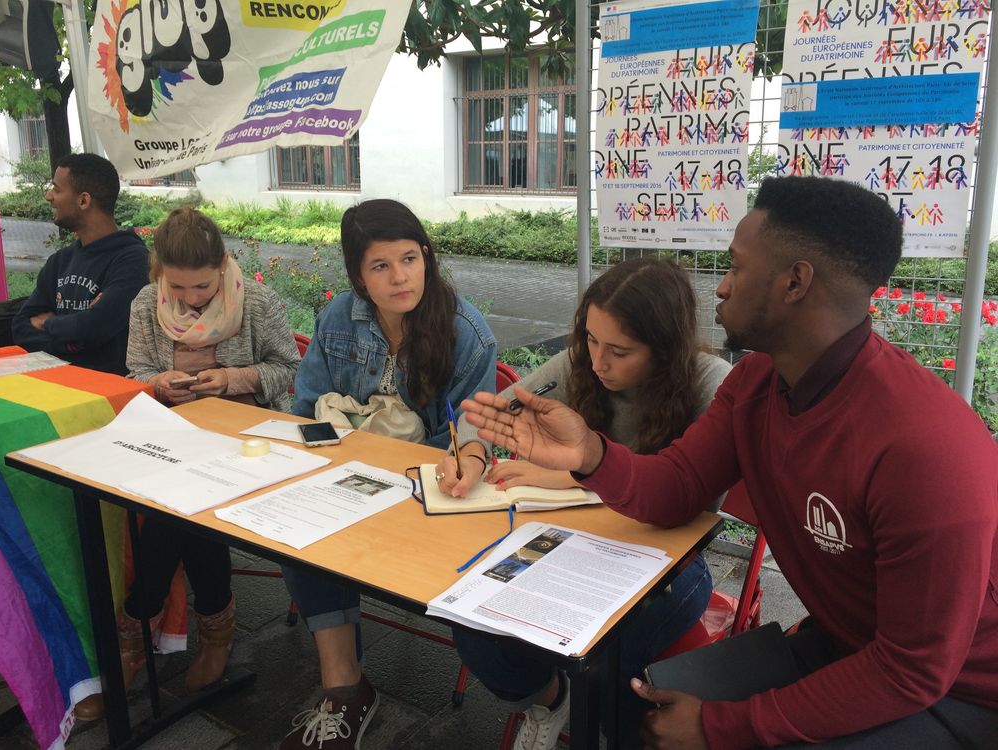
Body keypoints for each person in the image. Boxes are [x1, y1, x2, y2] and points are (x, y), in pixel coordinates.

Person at [462, 176, 998, 749]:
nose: (719, 287)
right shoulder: (757, 383)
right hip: (846, 643)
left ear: (794, 282)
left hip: (960, 693)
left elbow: (912, 670)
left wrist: (724, 727)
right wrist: (590, 455)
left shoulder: (925, 447)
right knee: (639, 709)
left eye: (736, 268)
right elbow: (676, 487)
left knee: (681, 725)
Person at [435, 258, 732, 750]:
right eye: (591, 340)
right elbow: (491, 414)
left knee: (612, 657)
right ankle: (551, 700)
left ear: (667, 347)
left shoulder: (710, 383)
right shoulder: (580, 364)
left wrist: (566, 479)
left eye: (619, 350)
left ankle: (616, 731)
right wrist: (471, 451)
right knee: (474, 623)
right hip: (572, 544)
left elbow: (688, 503)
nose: (598, 362)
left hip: (670, 563)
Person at [279, 199, 498, 750]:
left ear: (426, 256)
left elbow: (475, 428)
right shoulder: (337, 319)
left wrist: (464, 457)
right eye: (381, 266)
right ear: (358, 275)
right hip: (348, 473)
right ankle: (344, 687)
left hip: (425, 489)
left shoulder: (464, 331)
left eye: (409, 258)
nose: (400, 276)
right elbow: (308, 404)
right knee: (294, 522)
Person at [120, 208, 299, 703]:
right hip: (175, 436)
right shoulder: (144, 304)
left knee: (180, 508)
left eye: (201, 288)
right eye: (177, 288)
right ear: (159, 271)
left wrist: (232, 379)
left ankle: (134, 629)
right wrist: (158, 384)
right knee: (182, 506)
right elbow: (134, 369)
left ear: (222, 265)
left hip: (252, 441)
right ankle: (215, 629)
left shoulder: (257, 301)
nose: (190, 299)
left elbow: (287, 367)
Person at [12, 153, 149, 375]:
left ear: (84, 200)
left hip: (108, 397)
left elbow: (96, 327)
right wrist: (71, 344)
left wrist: (49, 324)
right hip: (56, 388)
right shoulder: (60, 261)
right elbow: (20, 327)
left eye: (57, 189)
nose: (49, 196)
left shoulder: (133, 261)